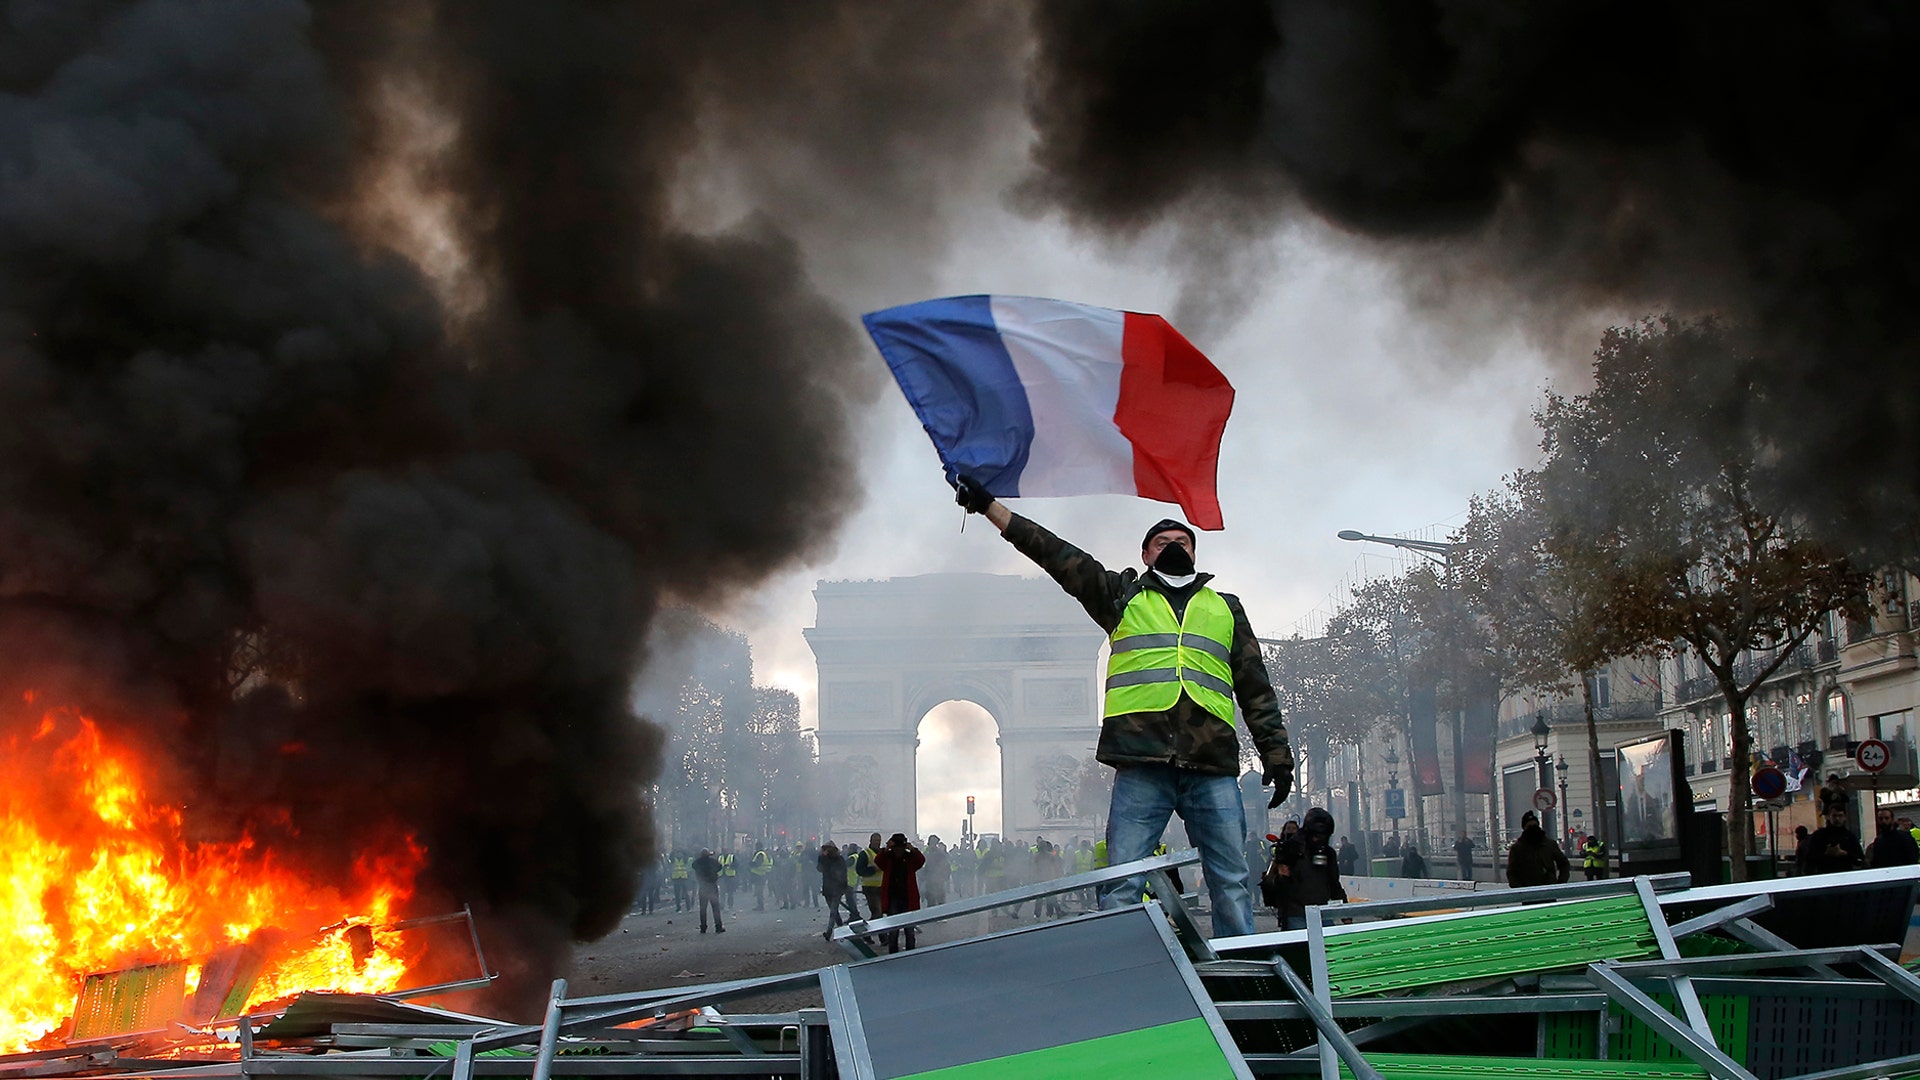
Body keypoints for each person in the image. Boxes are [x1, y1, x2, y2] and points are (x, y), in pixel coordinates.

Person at [954, 479, 1293, 939]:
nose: (1173, 546)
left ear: (1195, 553)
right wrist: (992, 508)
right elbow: (1056, 554)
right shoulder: (1120, 596)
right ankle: (1126, 968)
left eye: (1182, 541)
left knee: (1230, 882)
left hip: (1210, 763)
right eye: (1162, 542)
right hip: (1142, 762)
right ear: (1146, 556)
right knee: (1121, 883)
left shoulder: (1227, 608)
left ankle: (1244, 977)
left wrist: (1277, 753)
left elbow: (1256, 689)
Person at [1264, 807, 1345, 930]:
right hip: (1296, 912)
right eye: (1317, 836)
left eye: (1324, 836)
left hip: (1321, 910)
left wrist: (1345, 913)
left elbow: (1334, 883)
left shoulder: (1328, 853)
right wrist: (1281, 876)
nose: (1320, 840)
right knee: (1301, 946)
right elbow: (1271, 883)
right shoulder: (1290, 849)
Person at [875, 833, 927, 952]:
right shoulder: (887, 857)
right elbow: (878, 861)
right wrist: (885, 848)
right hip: (893, 897)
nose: (898, 850)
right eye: (896, 848)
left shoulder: (910, 858)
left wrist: (913, 850)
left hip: (907, 897)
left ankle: (910, 952)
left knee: (909, 930)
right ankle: (893, 952)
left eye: (900, 848)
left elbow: (921, 861)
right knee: (893, 930)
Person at [1506, 811, 1570, 888]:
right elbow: (1511, 872)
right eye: (1529, 826)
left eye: (1535, 825)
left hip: (1549, 889)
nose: (1533, 828)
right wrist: (1520, 890)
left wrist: (1561, 882)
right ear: (1524, 828)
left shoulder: (1550, 844)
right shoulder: (1517, 848)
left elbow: (1564, 863)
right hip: (1528, 892)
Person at [816, 842, 862, 939]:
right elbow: (820, 869)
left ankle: (829, 932)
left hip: (837, 888)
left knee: (833, 911)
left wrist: (843, 886)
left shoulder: (839, 859)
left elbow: (842, 873)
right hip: (828, 888)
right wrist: (822, 858)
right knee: (834, 911)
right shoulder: (824, 859)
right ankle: (840, 926)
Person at [1804, 803, 1864, 874]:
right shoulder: (1819, 835)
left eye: (1840, 816)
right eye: (1834, 816)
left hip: (1845, 875)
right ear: (1829, 817)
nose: (1837, 819)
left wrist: (1845, 854)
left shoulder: (1849, 837)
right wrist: (1825, 854)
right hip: (1825, 874)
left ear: (1844, 817)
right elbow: (1809, 859)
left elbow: (1859, 858)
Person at [692, 848, 725, 934]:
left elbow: (693, 865)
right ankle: (718, 926)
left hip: (703, 887)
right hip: (712, 886)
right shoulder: (712, 861)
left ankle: (703, 927)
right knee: (715, 908)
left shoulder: (698, 862)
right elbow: (720, 867)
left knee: (703, 909)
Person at [856, 832, 886, 920]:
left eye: (879, 841)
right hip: (870, 888)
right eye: (875, 840)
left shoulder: (882, 853)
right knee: (877, 912)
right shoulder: (864, 854)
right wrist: (873, 869)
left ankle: (881, 932)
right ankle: (870, 931)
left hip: (882, 887)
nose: (877, 842)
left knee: (880, 912)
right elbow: (859, 870)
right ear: (871, 841)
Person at [923, 835, 950, 908]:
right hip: (930, 880)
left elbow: (946, 866)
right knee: (931, 900)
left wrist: (944, 877)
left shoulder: (940, 854)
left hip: (938, 880)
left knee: (940, 899)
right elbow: (923, 866)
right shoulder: (926, 853)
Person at [750, 845, 773, 911]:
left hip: (759, 875)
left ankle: (761, 906)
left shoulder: (760, 854)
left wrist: (751, 864)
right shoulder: (767, 855)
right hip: (764, 874)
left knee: (759, 892)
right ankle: (760, 905)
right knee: (760, 891)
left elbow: (758, 863)